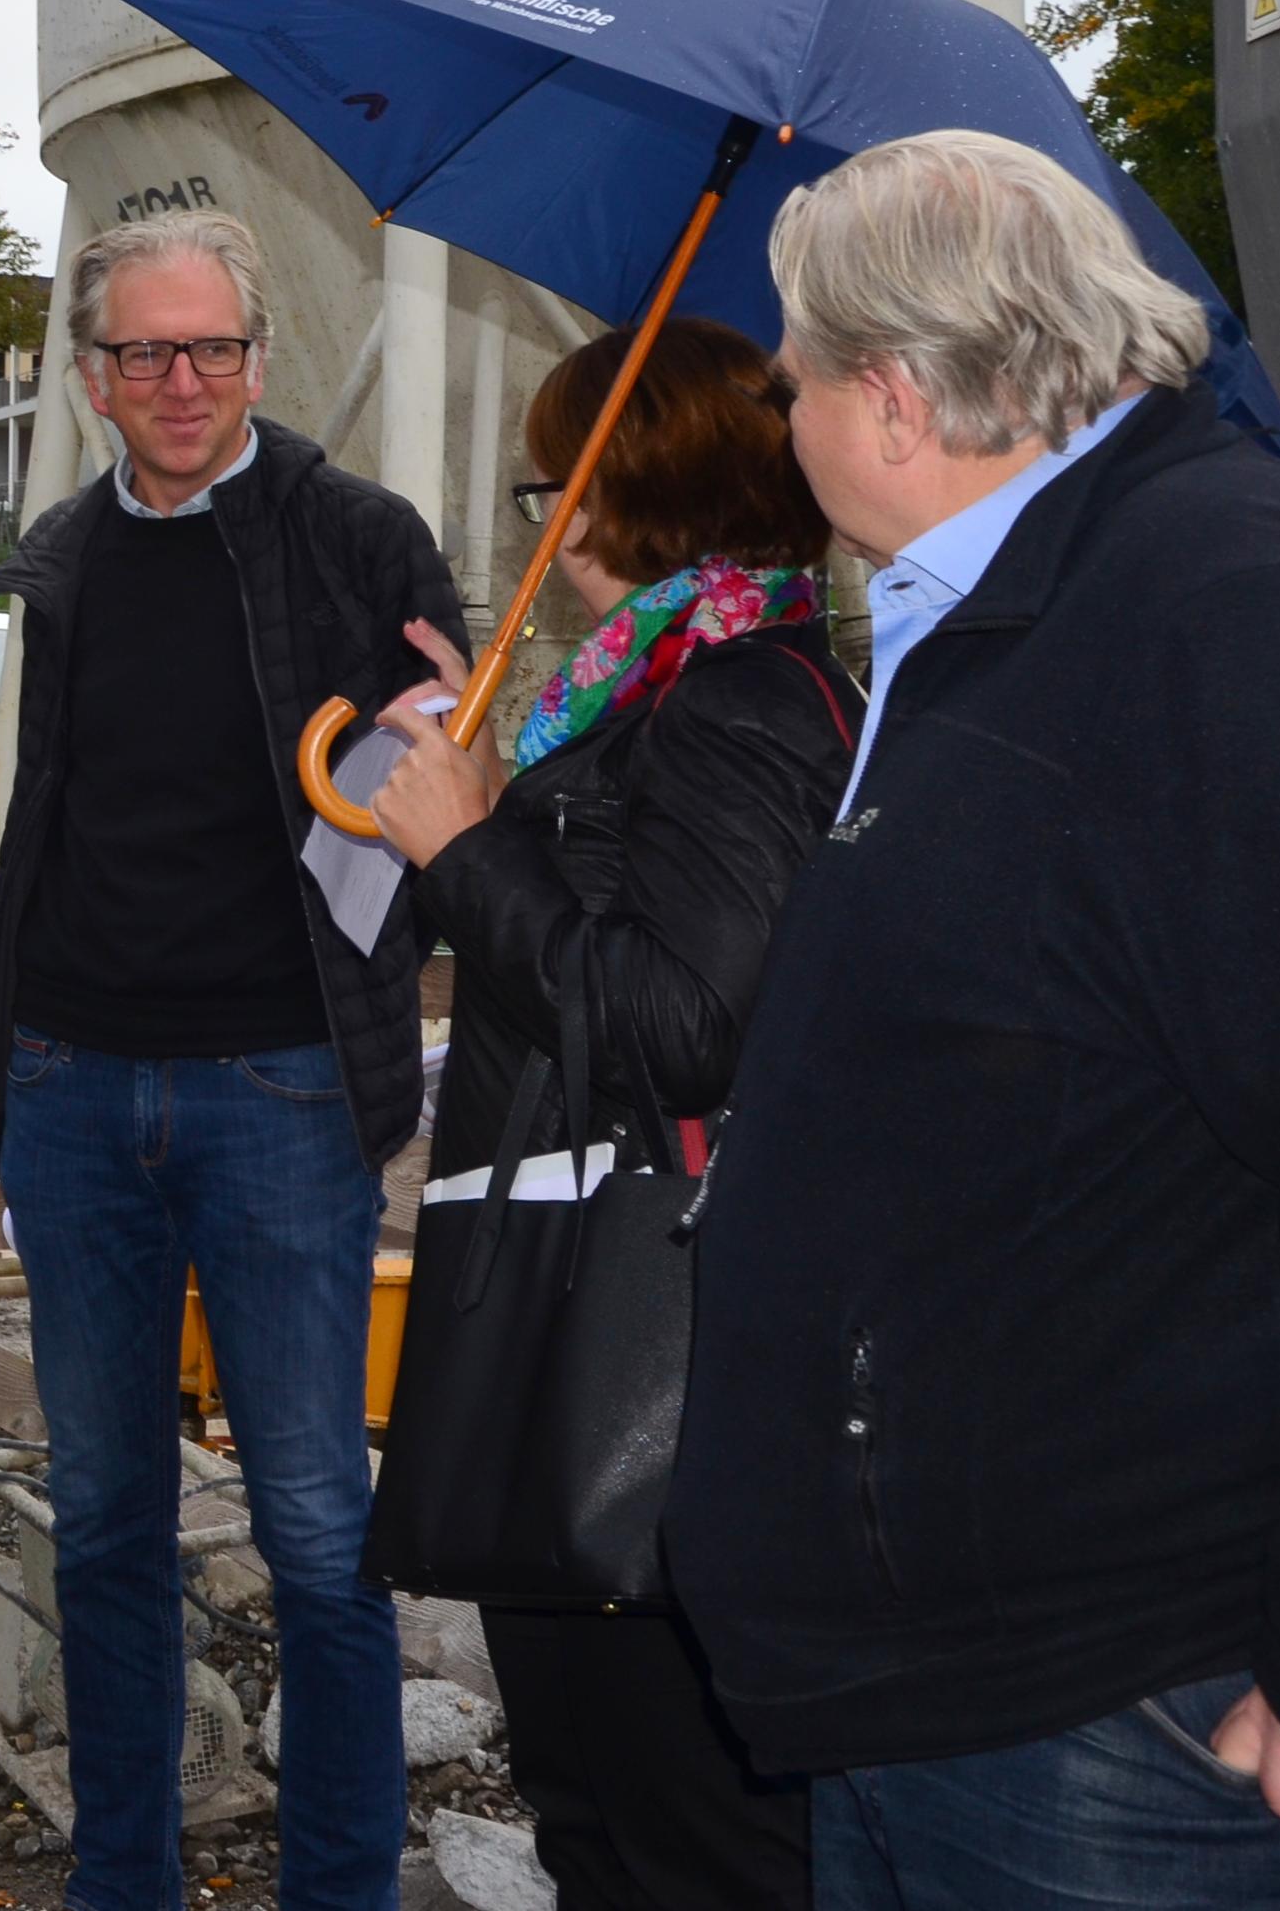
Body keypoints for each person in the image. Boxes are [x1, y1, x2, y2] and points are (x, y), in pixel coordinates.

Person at [671, 130, 1280, 1908]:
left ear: (895, 398)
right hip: (967, 1693)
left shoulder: (1237, 605)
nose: (785, 419)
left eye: (792, 380)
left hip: (1136, 1717)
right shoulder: (1013, 605)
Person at [0, 209, 468, 1911]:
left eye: (213, 348)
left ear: (258, 355)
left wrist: (446, 734)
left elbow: (442, 790)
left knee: (316, 1529)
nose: (183, 382)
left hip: (280, 1087)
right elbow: (48, 816)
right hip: (75, 1082)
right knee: (105, 1520)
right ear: (90, 377)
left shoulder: (361, 538)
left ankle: (340, 1887)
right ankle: (125, 1878)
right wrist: (0, 1069)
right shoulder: (66, 557)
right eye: (145, 353)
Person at [360, 319, 854, 1910]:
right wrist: (498, 798)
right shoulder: (655, 693)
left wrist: (468, 849)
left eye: (555, 485)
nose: (547, 525)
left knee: (680, 1835)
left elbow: (683, 1026)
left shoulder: (743, 703)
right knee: (594, 1821)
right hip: (575, 1319)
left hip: (641, 1354)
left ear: (639, 489)